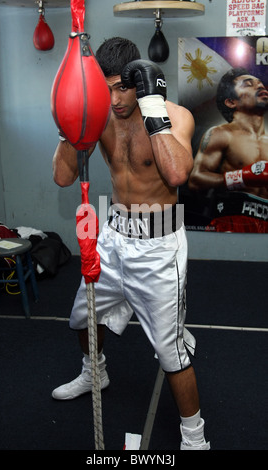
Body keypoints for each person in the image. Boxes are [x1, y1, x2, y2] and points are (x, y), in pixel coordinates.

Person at [51, 37, 210, 450]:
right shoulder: (100, 117)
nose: (116, 99)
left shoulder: (176, 114)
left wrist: (153, 108)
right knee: (81, 319)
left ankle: (195, 437)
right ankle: (95, 371)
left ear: (141, 80)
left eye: (124, 86)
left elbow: (176, 175)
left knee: (171, 354)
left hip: (159, 248)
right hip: (114, 238)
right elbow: (63, 177)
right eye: (106, 88)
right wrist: (70, 123)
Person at [188, 67, 268, 232]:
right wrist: (242, 178)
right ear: (231, 102)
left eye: (261, 84)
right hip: (232, 220)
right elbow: (196, 180)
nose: (260, 86)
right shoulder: (221, 134)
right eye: (248, 84)